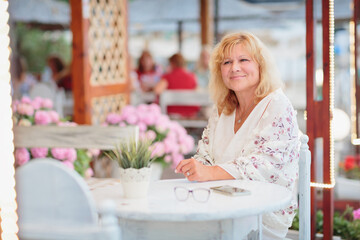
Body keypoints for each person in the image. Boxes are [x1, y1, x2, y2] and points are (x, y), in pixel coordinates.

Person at [175, 32, 300, 239]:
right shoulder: (222, 108)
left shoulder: (277, 104)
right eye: (226, 62)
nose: (234, 68)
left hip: (260, 214)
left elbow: (265, 164)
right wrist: (196, 168)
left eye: (243, 60)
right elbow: (205, 153)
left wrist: (209, 172)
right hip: (218, 203)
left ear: (261, 65)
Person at [154, 53, 200, 118]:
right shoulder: (192, 76)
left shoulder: (168, 77)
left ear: (172, 63)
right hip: (190, 113)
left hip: (172, 112)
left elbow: (157, 91)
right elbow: (197, 92)